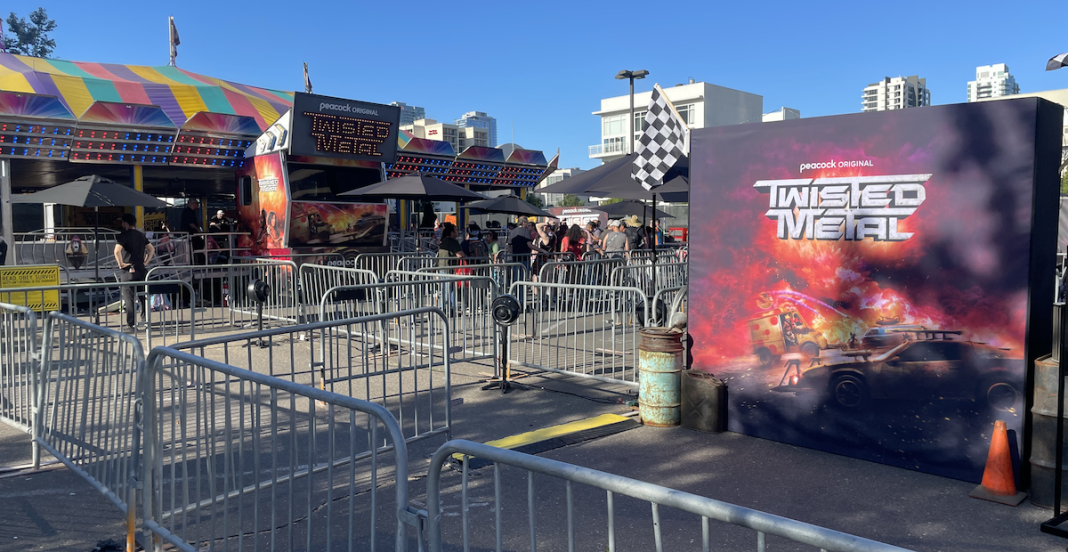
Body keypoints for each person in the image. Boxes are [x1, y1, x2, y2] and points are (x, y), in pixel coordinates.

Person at [113, 213, 155, 331]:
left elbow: (117, 251)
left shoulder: (123, 236)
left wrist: (121, 264)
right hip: (141, 269)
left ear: (125, 223)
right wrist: (145, 262)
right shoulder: (141, 235)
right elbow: (151, 249)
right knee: (143, 296)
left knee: (129, 297)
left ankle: (131, 324)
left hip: (128, 270)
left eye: (122, 222)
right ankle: (145, 321)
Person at [181, 199, 205, 264]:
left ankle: (196, 262)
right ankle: (200, 263)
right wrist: (198, 230)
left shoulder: (188, 212)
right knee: (196, 248)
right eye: (197, 204)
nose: (198, 206)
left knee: (194, 249)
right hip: (191, 234)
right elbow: (190, 223)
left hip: (191, 234)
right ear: (193, 204)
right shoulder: (189, 212)